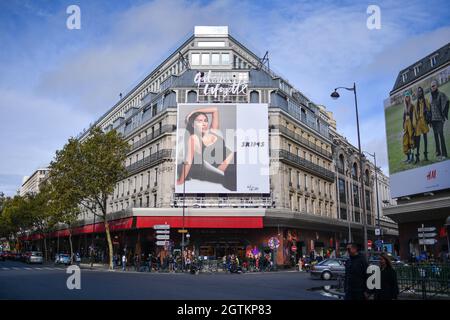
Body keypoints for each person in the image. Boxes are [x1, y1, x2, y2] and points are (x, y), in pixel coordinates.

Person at [176, 106, 237, 191]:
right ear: (193, 124)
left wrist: (195, 110)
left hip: (237, 159)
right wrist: (181, 180)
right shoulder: (194, 138)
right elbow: (188, 161)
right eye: (199, 121)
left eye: (205, 121)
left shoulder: (213, 131)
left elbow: (215, 110)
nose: (204, 124)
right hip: (231, 170)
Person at [430, 80, 449, 160]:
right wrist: (430, 120)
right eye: (431, 86)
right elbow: (430, 109)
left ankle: (444, 154)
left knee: (441, 135)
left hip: (440, 119)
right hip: (433, 120)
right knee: (435, 137)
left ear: (437, 86)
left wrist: (444, 114)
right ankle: (438, 154)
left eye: (434, 85)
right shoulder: (430, 97)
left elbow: (447, 101)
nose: (433, 87)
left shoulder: (441, 94)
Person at [413, 86, 431, 163]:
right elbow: (414, 115)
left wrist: (428, 120)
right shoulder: (415, 103)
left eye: (420, 91)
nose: (419, 92)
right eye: (418, 91)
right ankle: (417, 157)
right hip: (418, 124)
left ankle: (426, 155)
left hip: (424, 122)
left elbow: (429, 110)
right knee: (418, 141)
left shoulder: (425, 100)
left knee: (425, 139)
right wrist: (414, 125)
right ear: (417, 93)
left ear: (422, 92)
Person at [402, 90, 416, 163]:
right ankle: (408, 158)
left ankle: (412, 158)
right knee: (405, 142)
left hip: (411, 125)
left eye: (407, 97)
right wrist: (403, 126)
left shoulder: (412, 106)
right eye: (405, 97)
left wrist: (414, 127)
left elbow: (413, 116)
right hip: (405, 126)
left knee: (411, 141)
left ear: (409, 97)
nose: (406, 98)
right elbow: (403, 118)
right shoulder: (404, 107)